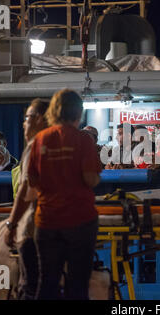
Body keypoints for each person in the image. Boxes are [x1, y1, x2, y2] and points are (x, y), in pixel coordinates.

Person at [27, 89, 102, 300]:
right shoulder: (84, 140)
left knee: (47, 283)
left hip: (47, 221)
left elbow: (32, 181)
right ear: (79, 112)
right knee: (78, 285)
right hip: (80, 220)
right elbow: (90, 179)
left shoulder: (40, 139)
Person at [4, 98, 49, 300]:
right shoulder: (61, 144)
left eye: (27, 118)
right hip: (57, 228)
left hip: (33, 228)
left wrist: (11, 224)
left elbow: (25, 190)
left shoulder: (35, 146)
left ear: (39, 119)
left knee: (30, 286)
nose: (24, 123)